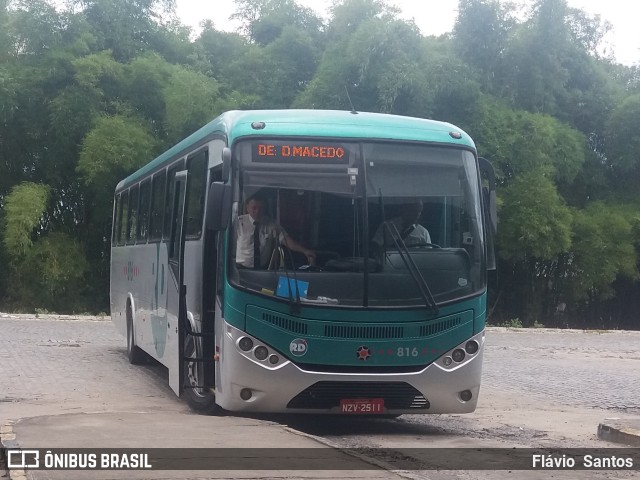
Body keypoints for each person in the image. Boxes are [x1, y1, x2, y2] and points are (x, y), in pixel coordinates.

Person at [235, 194, 316, 269]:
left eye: (261, 208)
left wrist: (305, 251)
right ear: (247, 207)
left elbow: (286, 240)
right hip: (241, 268)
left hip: (262, 269)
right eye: (254, 208)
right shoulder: (238, 222)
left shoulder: (272, 224)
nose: (257, 211)